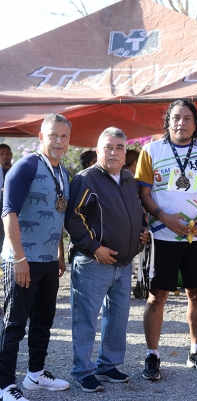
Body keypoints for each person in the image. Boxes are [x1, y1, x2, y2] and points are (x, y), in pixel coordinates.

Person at [135, 100, 197, 380]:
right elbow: (143, 193)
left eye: (187, 118)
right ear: (167, 122)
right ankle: (152, 354)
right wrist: (164, 217)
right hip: (162, 235)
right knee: (156, 296)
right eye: (175, 118)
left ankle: (196, 350)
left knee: (196, 293)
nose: (181, 123)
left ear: (196, 124)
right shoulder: (151, 150)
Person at [65, 127, 149, 392]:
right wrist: (94, 247)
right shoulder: (85, 179)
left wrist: (142, 232)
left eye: (119, 147)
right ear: (98, 150)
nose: (113, 152)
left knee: (117, 317)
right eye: (108, 147)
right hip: (93, 263)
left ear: (125, 154)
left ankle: (108, 365)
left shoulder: (128, 179)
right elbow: (73, 218)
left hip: (123, 264)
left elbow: (138, 212)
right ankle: (82, 370)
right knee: (86, 318)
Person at [0, 114, 71, 401]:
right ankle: (4, 385)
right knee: (14, 324)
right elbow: (9, 214)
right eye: (53, 135)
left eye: (64, 136)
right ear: (41, 137)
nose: (59, 141)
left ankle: (35, 374)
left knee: (43, 320)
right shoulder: (25, 167)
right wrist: (19, 258)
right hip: (21, 260)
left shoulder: (62, 172)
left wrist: (60, 254)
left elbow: (59, 215)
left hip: (48, 261)